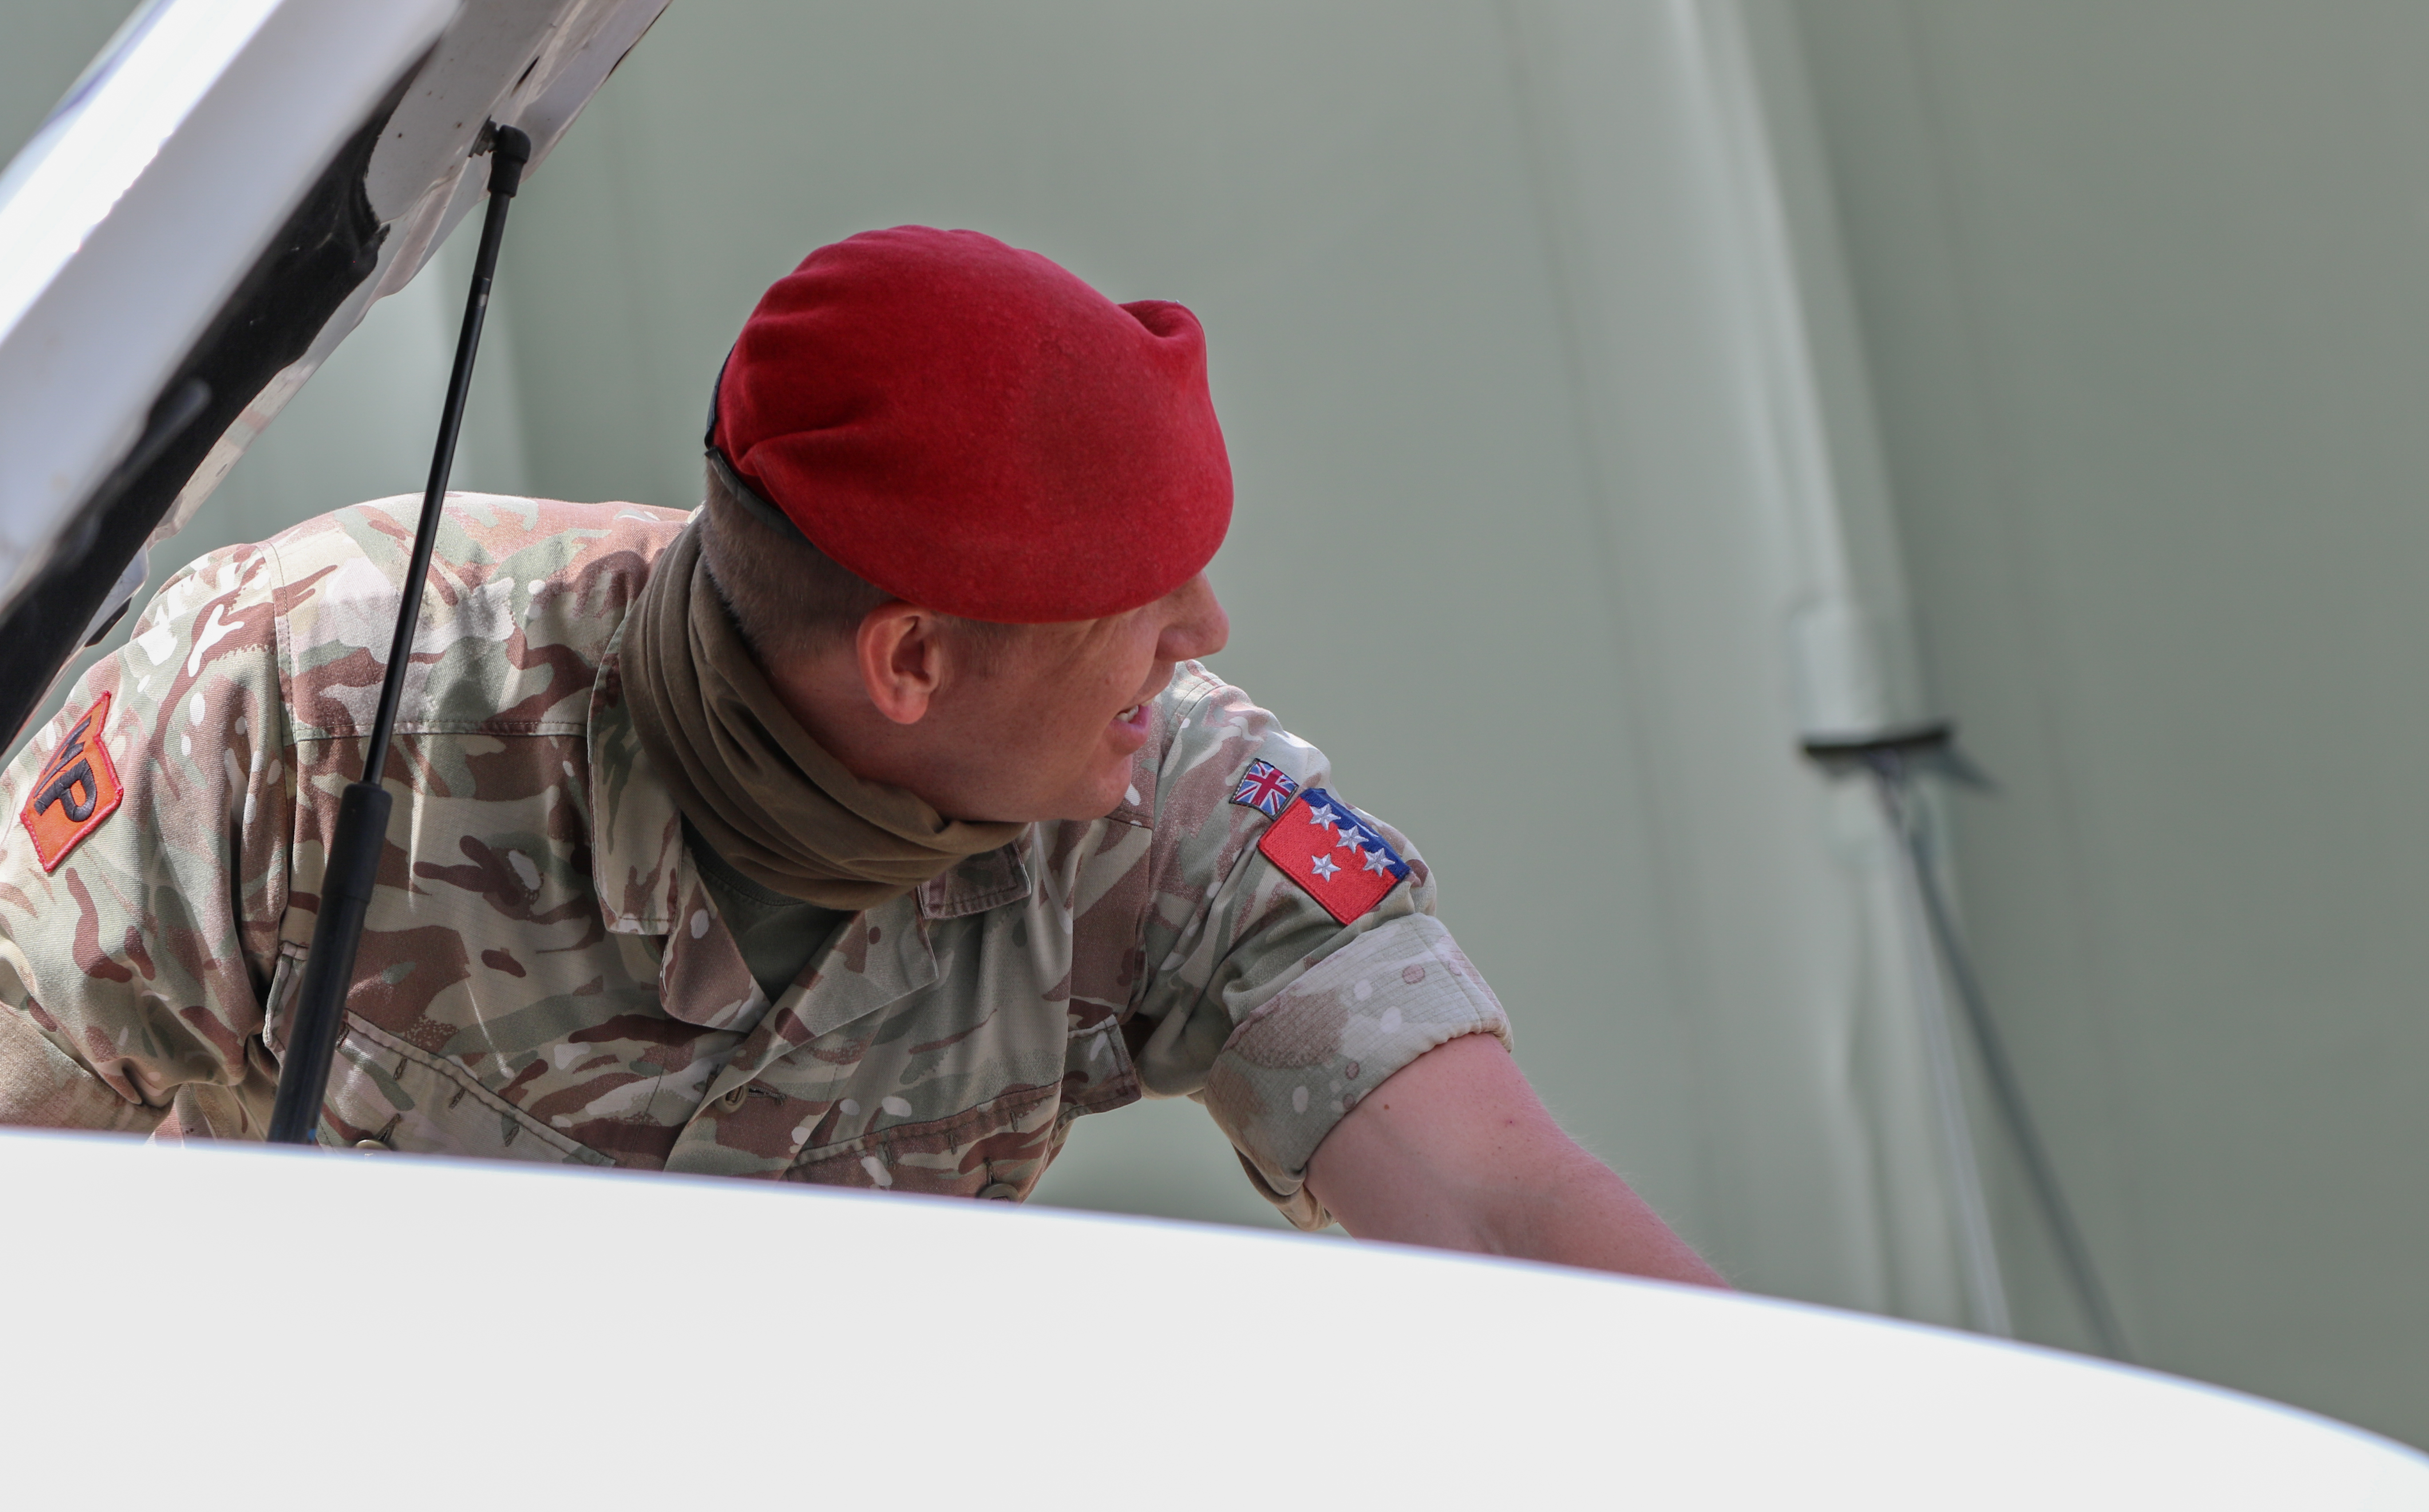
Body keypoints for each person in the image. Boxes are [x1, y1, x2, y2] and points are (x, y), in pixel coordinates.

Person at [0, 226, 1719, 1286]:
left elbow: (1500, 1212)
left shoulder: (1169, 808)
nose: (1202, 636)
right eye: (1135, 601)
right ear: (911, 659)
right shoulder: (308, 703)